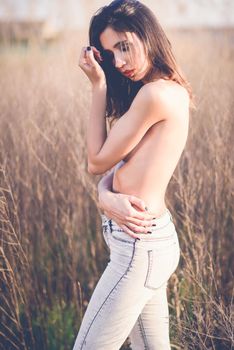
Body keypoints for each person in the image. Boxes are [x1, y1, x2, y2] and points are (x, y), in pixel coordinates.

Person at [73, 0, 192, 349]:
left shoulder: (155, 95)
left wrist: (97, 86)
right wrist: (105, 194)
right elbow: (119, 168)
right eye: (110, 55)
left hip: (139, 248)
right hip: (148, 241)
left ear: (147, 35)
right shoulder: (165, 88)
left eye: (124, 46)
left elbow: (96, 162)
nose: (119, 62)